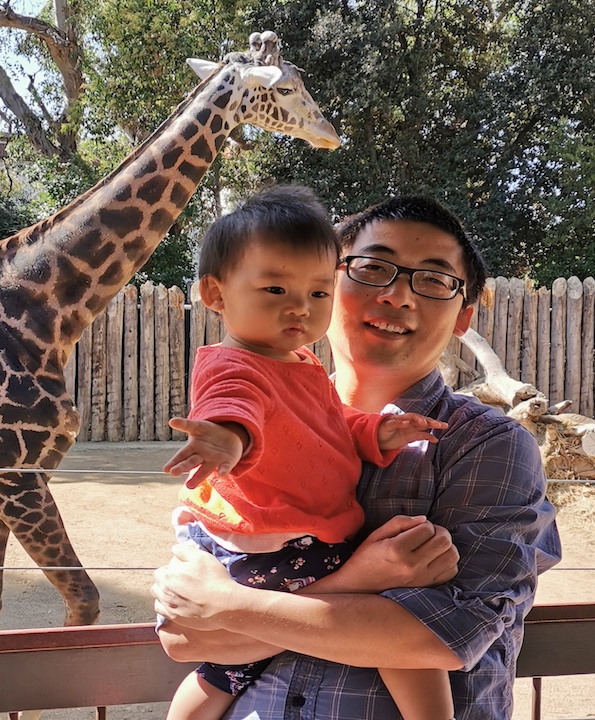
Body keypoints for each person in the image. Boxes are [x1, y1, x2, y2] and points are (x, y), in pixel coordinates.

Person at [152, 195, 562, 720]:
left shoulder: (488, 446)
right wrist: (358, 583)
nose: (397, 296)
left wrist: (232, 607)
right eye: (371, 269)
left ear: (464, 316)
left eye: (433, 280)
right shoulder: (255, 410)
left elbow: (438, 638)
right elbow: (187, 636)